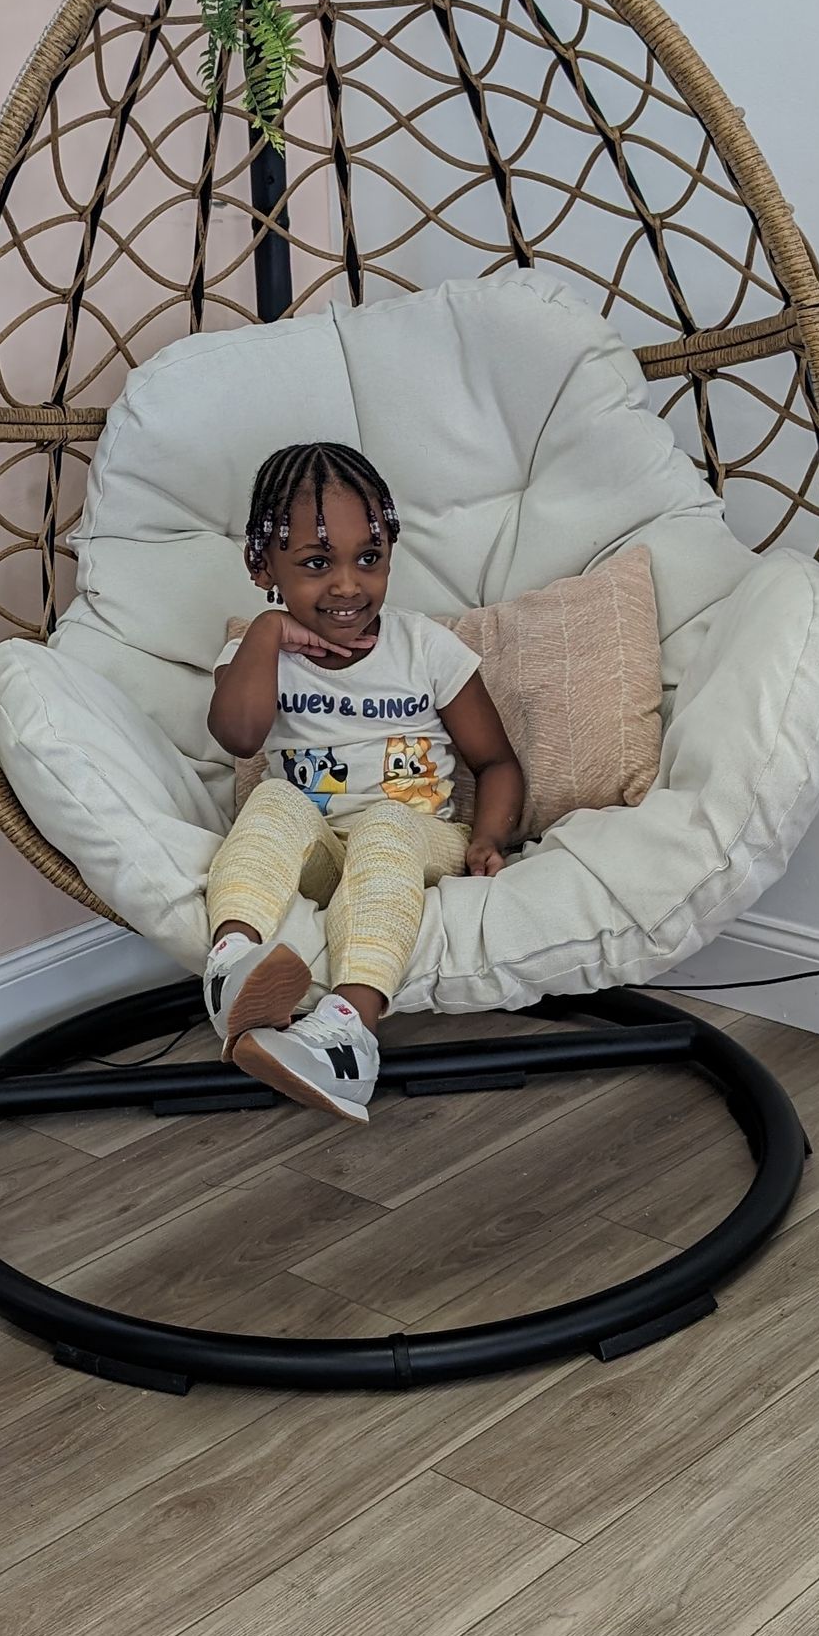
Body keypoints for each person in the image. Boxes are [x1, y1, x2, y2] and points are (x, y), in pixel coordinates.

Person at [203, 439, 526, 1123]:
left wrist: (489, 837)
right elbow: (239, 736)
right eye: (317, 563)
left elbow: (497, 762)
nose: (349, 585)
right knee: (273, 796)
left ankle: (348, 1033)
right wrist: (265, 634)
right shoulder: (257, 653)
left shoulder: (425, 648)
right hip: (323, 850)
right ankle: (232, 968)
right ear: (262, 565)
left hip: (418, 840)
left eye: (369, 557)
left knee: (385, 824)